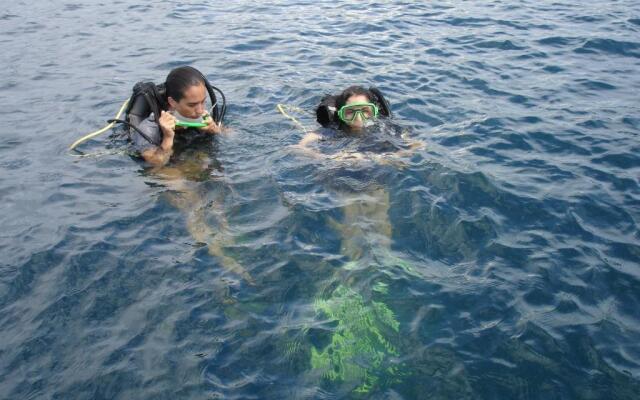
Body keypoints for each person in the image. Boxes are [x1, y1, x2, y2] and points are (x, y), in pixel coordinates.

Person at [130, 66, 224, 167]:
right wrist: (167, 137)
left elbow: (232, 134)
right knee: (176, 180)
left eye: (203, 101)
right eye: (192, 105)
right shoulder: (149, 128)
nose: (200, 110)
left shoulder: (202, 116)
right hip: (167, 166)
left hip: (193, 155)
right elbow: (155, 162)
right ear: (172, 102)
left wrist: (214, 128)